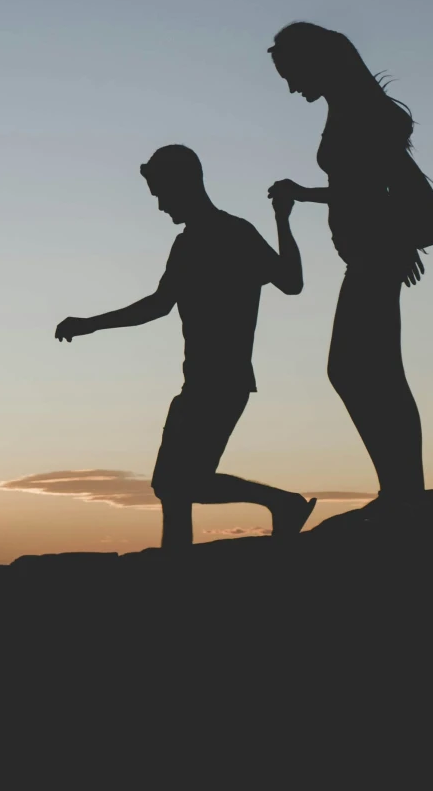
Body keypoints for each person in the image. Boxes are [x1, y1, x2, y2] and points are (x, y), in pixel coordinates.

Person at [55, 145, 317, 551]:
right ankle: (178, 557)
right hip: (199, 381)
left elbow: (291, 282)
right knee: (170, 486)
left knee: (185, 482)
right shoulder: (189, 243)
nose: (160, 206)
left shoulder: (234, 233)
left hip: (223, 381)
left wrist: (283, 220)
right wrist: (90, 325)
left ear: (185, 185)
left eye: (161, 193)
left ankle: (282, 503)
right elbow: (159, 305)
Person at [266, 22, 433, 511]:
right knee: (370, 371)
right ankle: (401, 487)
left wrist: (396, 241)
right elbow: (358, 187)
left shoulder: (360, 114)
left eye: (291, 73)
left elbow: (398, 194)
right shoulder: (344, 109)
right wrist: (306, 194)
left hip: (373, 259)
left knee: (360, 370)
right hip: (366, 257)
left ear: (316, 62)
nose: (289, 85)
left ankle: (403, 490)